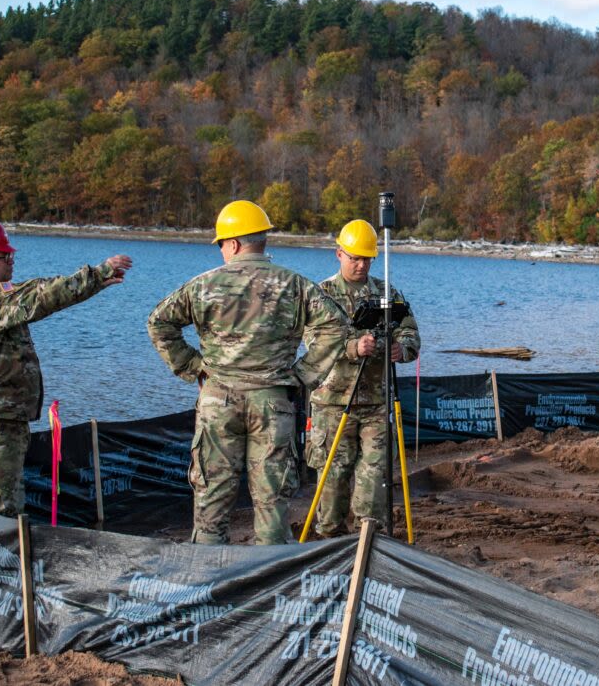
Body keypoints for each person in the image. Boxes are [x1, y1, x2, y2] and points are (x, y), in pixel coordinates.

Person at [147, 200, 352, 545]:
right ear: (262, 241)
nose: (222, 251)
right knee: (272, 506)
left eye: (222, 245)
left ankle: (208, 585)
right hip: (272, 404)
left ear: (234, 244)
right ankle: (270, 587)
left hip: (218, 402)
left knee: (211, 502)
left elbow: (159, 323)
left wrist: (193, 366)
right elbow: (337, 324)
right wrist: (303, 374)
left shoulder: (203, 285)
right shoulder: (293, 285)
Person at [0, 215, 132, 517]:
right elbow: (42, 295)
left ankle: (1, 562)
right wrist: (98, 274)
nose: (11, 260)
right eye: (4, 255)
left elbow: (35, 296)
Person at [305, 219, 421, 537]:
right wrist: (352, 347)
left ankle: (367, 540)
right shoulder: (322, 295)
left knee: (374, 478)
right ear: (339, 254)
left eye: (366, 259)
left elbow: (409, 330)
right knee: (333, 478)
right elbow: (313, 342)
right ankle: (328, 540)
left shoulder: (385, 294)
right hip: (332, 403)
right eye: (354, 257)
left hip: (376, 403)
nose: (361, 264)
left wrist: (403, 348)